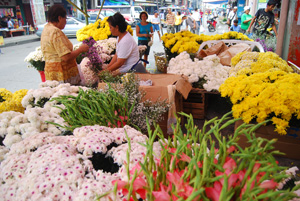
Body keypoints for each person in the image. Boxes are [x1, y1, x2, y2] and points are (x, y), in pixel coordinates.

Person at [40, 5, 89, 85]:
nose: (66, 22)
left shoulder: (46, 29)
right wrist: (81, 49)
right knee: (67, 95)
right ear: (59, 18)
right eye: (65, 18)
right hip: (61, 73)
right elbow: (66, 57)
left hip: (51, 72)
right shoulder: (55, 31)